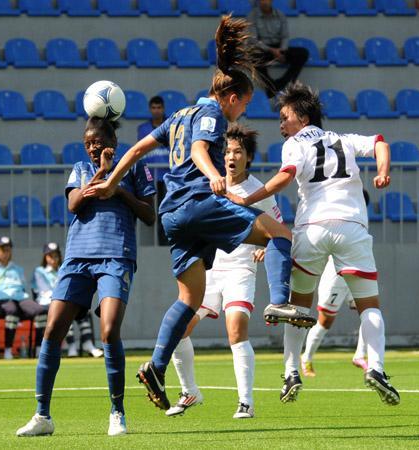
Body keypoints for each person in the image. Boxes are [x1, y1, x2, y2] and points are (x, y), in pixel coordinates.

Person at [85, 16, 316, 413]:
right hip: (198, 202)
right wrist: (213, 176)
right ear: (231, 98)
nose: (241, 112)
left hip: (172, 213)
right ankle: (280, 301)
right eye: (244, 104)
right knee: (279, 233)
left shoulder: (178, 115)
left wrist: (110, 184)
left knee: (189, 298)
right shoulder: (211, 115)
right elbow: (197, 151)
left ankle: (156, 367)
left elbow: (137, 149)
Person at [227, 82, 400, 406]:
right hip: (351, 227)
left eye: (285, 117)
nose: (281, 124)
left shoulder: (295, 144)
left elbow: (285, 176)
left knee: (298, 307)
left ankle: (291, 372)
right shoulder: (344, 139)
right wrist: (381, 172)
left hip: (312, 229)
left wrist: (247, 199)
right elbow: (380, 142)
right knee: (369, 306)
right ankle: (376, 368)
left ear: (303, 119)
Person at [16, 116, 156, 437]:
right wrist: (102, 174)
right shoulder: (81, 168)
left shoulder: (134, 166)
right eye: (88, 143)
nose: (92, 148)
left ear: (113, 142)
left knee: (108, 330)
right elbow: (74, 204)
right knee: (53, 329)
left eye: (98, 142)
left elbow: (149, 214)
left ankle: (117, 412)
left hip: (116, 255)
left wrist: (118, 190)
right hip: (78, 257)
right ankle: (42, 416)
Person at [167, 124, 284, 419]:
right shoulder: (211, 183)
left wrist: (267, 248)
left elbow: (280, 231)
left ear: (248, 157)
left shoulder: (259, 191)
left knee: (235, 329)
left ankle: (246, 402)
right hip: (209, 270)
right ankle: (189, 391)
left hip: (240, 270)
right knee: (180, 328)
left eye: (238, 152)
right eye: (227, 151)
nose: (231, 157)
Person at [301, 190, 374, 377]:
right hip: (336, 276)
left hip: (356, 271)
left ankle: (360, 355)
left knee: (369, 311)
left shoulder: (360, 218)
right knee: (325, 321)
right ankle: (306, 358)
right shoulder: (337, 214)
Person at [32, 242, 103, 358]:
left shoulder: (64, 269)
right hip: (47, 303)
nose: (54, 259)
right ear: (45, 257)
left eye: (56, 255)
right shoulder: (39, 271)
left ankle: (88, 343)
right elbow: (45, 291)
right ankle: (71, 346)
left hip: (64, 300)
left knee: (80, 309)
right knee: (65, 310)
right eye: (50, 256)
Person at [0, 237, 44, 360]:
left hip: (19, 298)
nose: (6, 252)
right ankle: (8, 350)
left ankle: (39, 349)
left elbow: (23, 288)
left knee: (40, 310)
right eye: (3, 250)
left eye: (8, 250)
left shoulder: (18, 269)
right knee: (12, 309)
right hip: (0, 300)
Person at [248, 0, 309, 98]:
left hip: (279, 48)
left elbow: (285, 36)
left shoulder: (280, 15)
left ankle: (282, 83)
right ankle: (270, 85)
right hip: (263, 49)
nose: (264, 2)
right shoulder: (252, 16)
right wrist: (272, 50)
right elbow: (253, 40)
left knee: (303, 53)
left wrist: (282, 51)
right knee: (253, 56)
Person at [138, 95, 169, 245]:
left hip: (168, 176)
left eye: (159, 107)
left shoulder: (171, 125)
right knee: (156, 211)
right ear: (150, 109)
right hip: (152, 177)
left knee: (168, 210)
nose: (156, 110)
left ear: (163, 109)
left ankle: (167, 242)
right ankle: (161, 243)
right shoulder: (143, 129)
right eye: (154, 107)